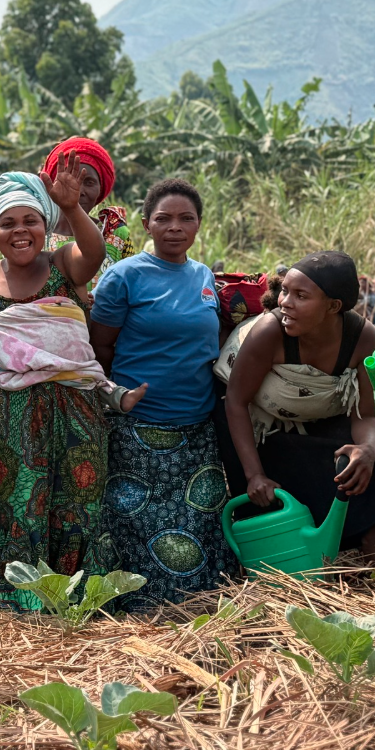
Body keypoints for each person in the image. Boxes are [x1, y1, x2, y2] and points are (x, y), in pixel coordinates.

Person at [0, 166, 147, 608]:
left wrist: (70, 206)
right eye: (8, 222)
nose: (20, 231)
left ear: (46, 226)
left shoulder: (64, 265)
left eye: (31, 221)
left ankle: (76, 598)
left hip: (72, 409)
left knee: (76, 500)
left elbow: (95, 251)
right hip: (1, 414)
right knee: (10, 504)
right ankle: (15, 600)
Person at [90, 179, 237, 609]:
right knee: (134, 519)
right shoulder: (124, 277)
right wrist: (113, 396)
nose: (175, 227)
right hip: (138, 427)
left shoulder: (204, 277)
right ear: (146, 224)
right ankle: (136, 609)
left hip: (196, 428)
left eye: (186, 218)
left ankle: (195, 605)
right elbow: (100, 347)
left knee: (199, 517)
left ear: (198, 224)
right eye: (164, 219)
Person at [214, 253, 375, 564]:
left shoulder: (362, 338)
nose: (285, 303)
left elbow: (366, 414)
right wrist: (254, 476)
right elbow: (236, 403)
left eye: (300, 296)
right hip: (256, 423)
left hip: (319, 412)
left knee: (363, 463)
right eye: (285, 291)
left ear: (333, 306)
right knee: (272, 502)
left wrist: (367, 449)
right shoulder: (269, 332)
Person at [40, 137, 137, 300]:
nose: (78, 191)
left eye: (89, 182)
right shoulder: (35, 233)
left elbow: (133, 287)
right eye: (69, 180)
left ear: (101, 189)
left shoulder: (115, 234)